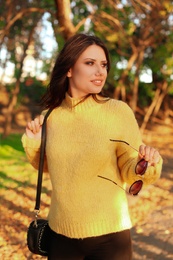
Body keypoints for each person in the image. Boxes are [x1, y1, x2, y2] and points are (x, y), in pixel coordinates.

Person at [22, 33, 162, 260]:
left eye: (104, 65)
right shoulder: (50, 117)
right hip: (61, 236)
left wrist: (147, 162)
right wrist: (35, 144)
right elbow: (49, 168)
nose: (100, 72)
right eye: (90, 63)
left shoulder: (117, 112)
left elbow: (129, 166)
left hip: (110, 238)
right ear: (69, 69)